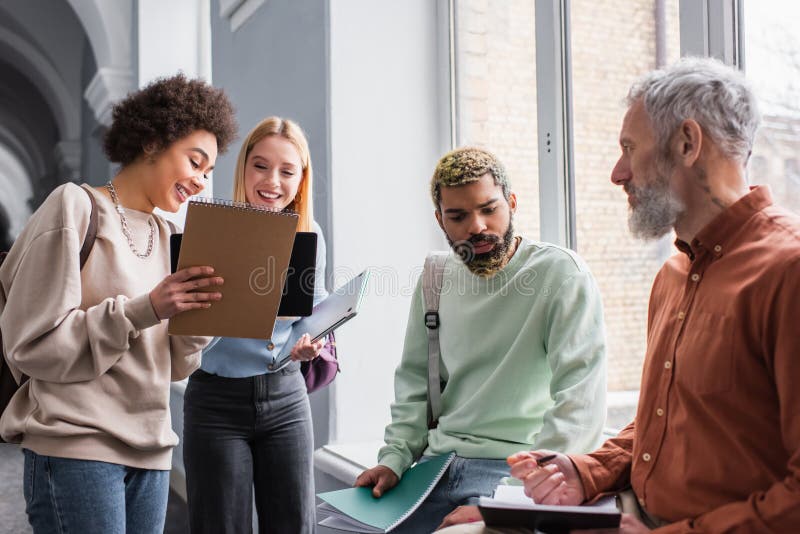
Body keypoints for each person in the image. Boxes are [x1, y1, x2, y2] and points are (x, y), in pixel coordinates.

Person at [446, 57, 800, 534]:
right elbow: (662, 422)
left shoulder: (788, 273)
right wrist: (583, 471)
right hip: (630, 511)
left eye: (630, 149)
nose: (618, 173)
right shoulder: (674, 274)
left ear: (687, 143)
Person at [0, 73, 237, 533]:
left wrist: (202, 318)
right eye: (195, 161)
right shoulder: (75, 207)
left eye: (209, 172)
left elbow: (172, 368)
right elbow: (31, 346)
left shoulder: (172, 238)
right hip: (75, 446)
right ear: (152, 141)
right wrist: (143, 309)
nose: (202, 182)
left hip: (153, 450)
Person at [354, 146, 608, 533]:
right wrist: (394, 459)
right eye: (458, 216)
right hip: (434, 468)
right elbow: (416, 383)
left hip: (511, 470)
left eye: (489, 209)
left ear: (512, 203)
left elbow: (579, 405)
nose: (477, 226)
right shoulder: (435, 276)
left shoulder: (561, 274)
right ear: (440, 220)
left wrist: (515, 498)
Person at [182, 116, 335, 534]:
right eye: (261, 166)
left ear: (300, 179)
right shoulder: (211, 227)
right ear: (244, 168)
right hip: (216, 401)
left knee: (294, 525)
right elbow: (186, 319)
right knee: (220, 526)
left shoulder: (309, 233)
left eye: (287, 171)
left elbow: (313, 305)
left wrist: (312, 340)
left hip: (286, 396)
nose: (272, 181)